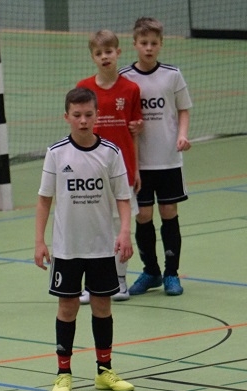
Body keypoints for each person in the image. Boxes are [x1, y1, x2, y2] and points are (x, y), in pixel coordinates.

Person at [34, 87, 136, 391]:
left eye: (88, 115)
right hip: (67, 248)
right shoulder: (56, 153)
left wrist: (125, 232)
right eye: (76, 115)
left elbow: (123, 198)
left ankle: (104, 371)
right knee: (67, 308)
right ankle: (63, 374)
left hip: (101, 247)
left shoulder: (111, 153)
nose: (83, 121)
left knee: (102, 306)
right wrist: (39, 241)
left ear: (97, 116)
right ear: (66, 117)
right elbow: (44, 200)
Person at [119, 17, 193, 297]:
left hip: (168, 159)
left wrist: (182, 135)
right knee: (143, 215)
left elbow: (183, 109)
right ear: (134, 44)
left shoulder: (172, 75)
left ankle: (171, 273)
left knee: (168, 211)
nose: (148, 48)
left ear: (161, 44)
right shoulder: (125, 77)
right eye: (143, 43)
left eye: (153, 43)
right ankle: (151, 271)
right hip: (139, 162)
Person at [76, 29, 143, 304]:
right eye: (99, 53)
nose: (105, 57)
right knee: (92, 228)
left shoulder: (131, 89)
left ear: (118, 52)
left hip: (122, 170)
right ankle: (92, 284)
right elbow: (78, 131)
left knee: (121, 227)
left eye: (109, 51)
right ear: (92, 57)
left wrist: (135, 169)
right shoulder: (84, 88)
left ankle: (120, 279)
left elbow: (134, 132)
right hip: (91, 171)